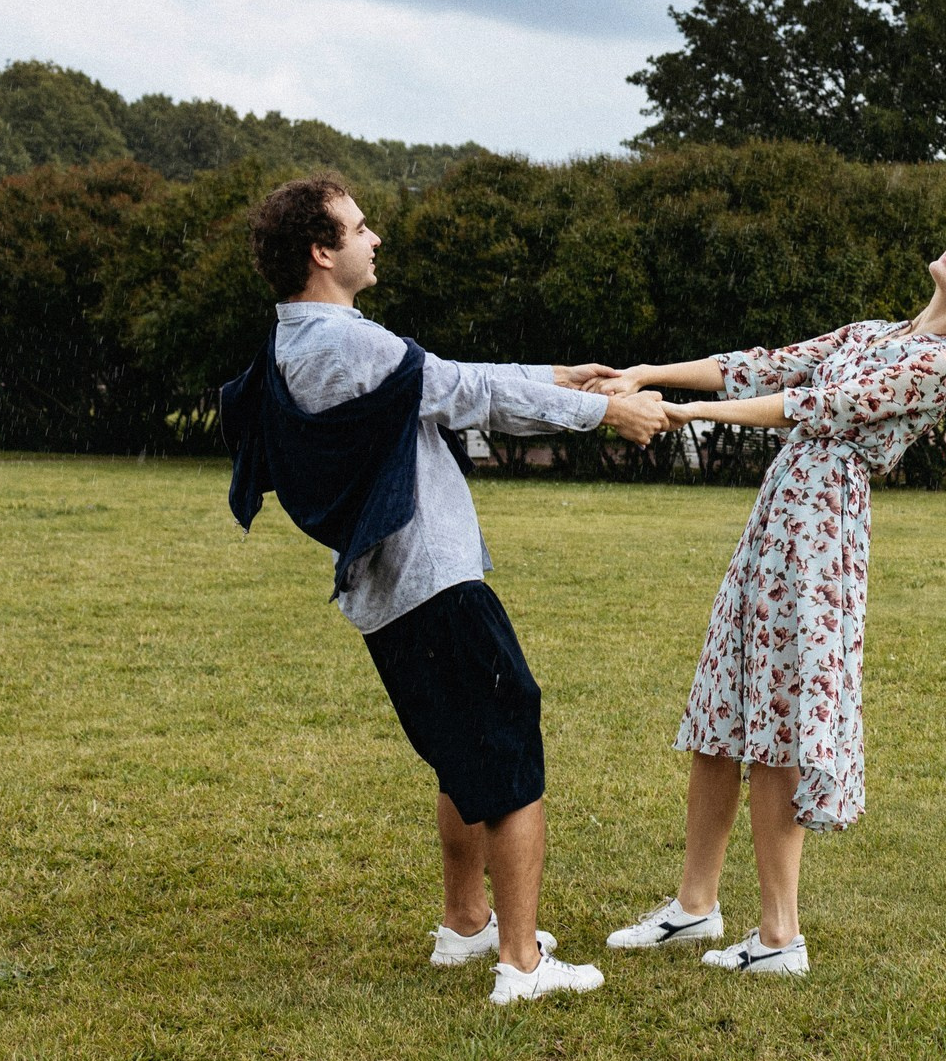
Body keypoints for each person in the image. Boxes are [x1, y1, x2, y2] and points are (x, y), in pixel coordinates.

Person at [220, 173, 669, 1004]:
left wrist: (557, 374)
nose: (374, 237)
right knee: (508, 741)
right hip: (434, 582)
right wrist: (604, 414)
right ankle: (522, 966)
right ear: (323, 252)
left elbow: (446, 378)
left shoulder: (300, 343)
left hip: (392, 592)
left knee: (461, 751)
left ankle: (469, 925)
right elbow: (467, 393)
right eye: (359, 227)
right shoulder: (350, 344)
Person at [589, 240, 946, 976]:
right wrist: (646, 373)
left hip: (819, 539)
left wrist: (687, 413)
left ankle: (780, 936)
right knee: (722, 710)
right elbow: (765, 364)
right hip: (777, 519)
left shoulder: (938, 366)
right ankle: (693, 907)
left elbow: (812, 407)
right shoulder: (874, 333)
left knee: (780, 721)